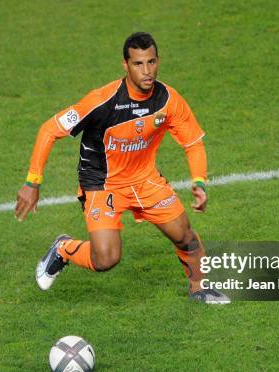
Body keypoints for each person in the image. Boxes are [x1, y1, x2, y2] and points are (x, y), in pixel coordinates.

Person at [15, 32, 230, 304]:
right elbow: (49, 130)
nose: (147, 71)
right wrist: (32, 182)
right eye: (138, 64)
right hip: (103, 184)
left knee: (185, 235)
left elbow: (193, 143)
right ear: (125, 65)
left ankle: (199, 287)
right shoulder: (102, 101)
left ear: (158, 61)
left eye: (151, 62)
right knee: (106, 258)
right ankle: (64, 248)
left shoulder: (168, 100)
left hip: (145, 179)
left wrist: (199, 181)